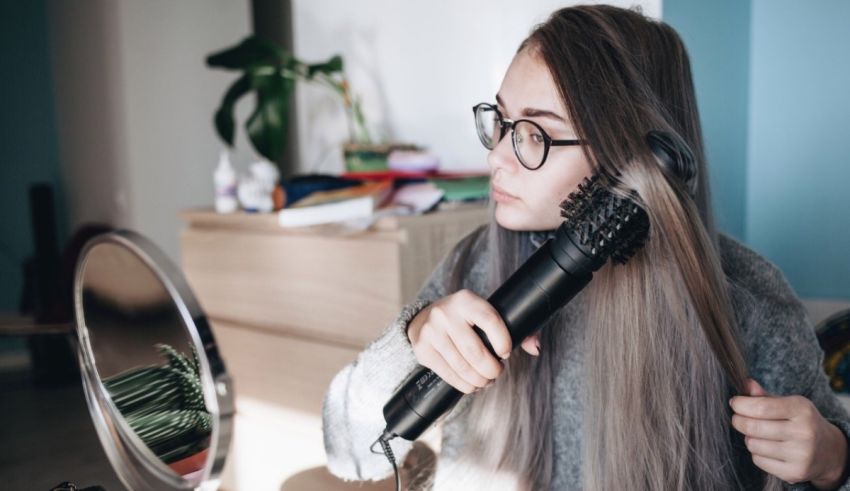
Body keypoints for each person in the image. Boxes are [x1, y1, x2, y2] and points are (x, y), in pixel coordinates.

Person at [322, 5, 850, 490]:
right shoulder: (472, 266)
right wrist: (413, 341)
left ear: (631, 159)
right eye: (502, 122)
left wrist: (832, 458)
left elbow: (824, 456)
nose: (497, 159)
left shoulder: (748, 301)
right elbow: (351, 456)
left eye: (534, 135)